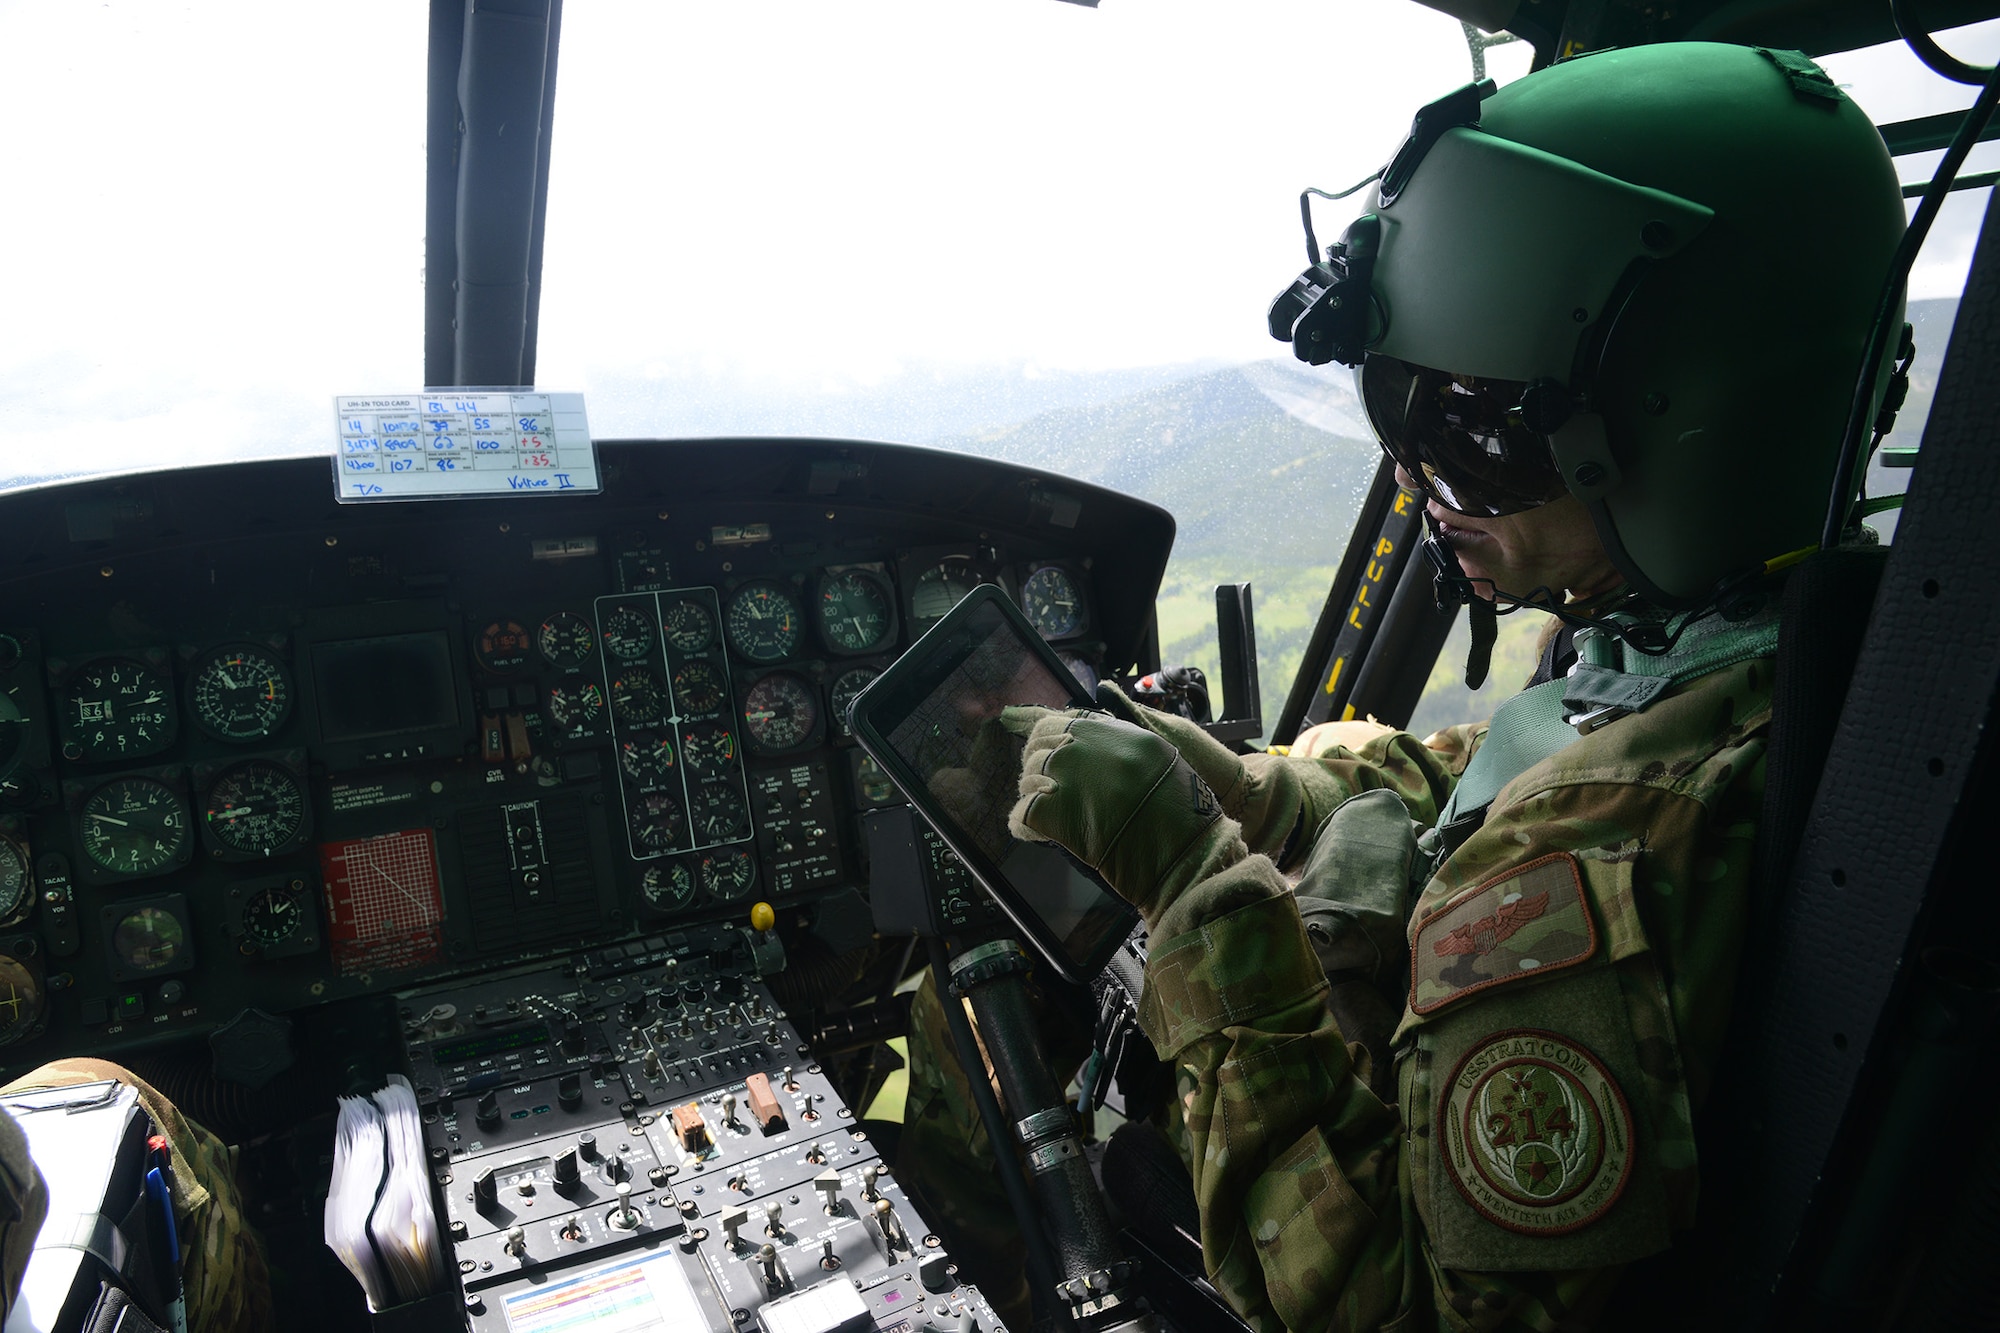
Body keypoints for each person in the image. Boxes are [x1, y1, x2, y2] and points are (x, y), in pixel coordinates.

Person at [901, 40, 1908, 1331]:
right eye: (1402, 415)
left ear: (1689, 427)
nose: (1426, 484)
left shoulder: (1594, 875)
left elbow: (1388, 1310)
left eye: (1476, 437)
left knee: (983, 1000)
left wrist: (1198, 880)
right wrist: (1266, 793)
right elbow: (1510, 761)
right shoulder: (1748, 648)